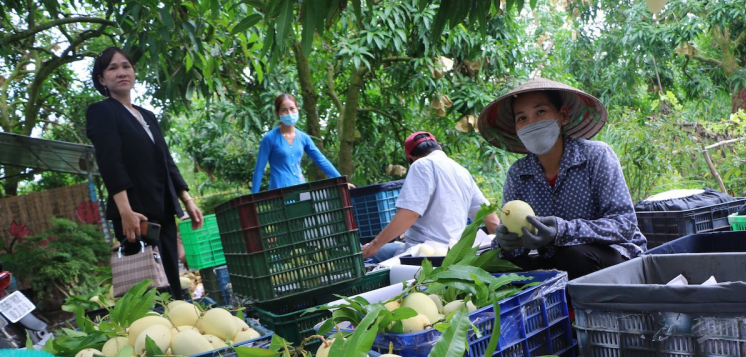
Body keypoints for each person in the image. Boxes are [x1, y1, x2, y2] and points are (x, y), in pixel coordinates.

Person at [477, 78, 646, 279]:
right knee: (491, 263)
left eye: (540, 112)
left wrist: (562, 230)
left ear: (562, 116)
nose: (531, 123)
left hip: (613, 257)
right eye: (522, 118)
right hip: (555, 261)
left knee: (573, 256)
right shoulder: (519, 173)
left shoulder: (596, 156)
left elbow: (624, 225)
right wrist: (506, 242)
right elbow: (516, 241)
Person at [86, 47, 203, 298]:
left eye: (126, 66)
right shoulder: (102, 112)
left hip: (163, 210)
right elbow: (110, 163)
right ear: (101, 79)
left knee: (173, 282)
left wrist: (187, 201)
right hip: (135, 215)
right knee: (149, 290)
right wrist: (125, 211)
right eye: (112, 68)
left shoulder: (147, 115)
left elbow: (166, 161)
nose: (121, 72)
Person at [361, 131, 499, 262]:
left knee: (368, 253)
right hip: (453, 252)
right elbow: (490, 217)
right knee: (386, 249)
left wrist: (374, 245)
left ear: (411, 159)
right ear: (438, 147)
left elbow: (410, 213)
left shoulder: (421, 164)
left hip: (423, 254)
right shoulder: (462, 172)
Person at [251, 94, 344, 192]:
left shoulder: (303, 138)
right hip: (279, 192)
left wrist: (342, 182)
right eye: (284, 110)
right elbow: (259, 169)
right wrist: (253, 198)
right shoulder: (269, 138)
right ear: (277, 113)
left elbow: (321, 160)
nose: (289, 113)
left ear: (297, 109)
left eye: (292, 109)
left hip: (301, 189)